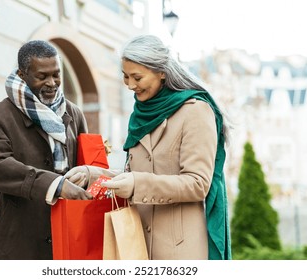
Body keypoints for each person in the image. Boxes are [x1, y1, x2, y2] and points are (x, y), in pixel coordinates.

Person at [65, 35, 231, 260]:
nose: (130, 85)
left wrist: (137, 184)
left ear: (161, 72)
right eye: (125, 77)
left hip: (180, 250)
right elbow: (134, 176)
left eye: (137, 77)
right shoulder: (141, 114)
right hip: (136, 244)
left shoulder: (195, 111)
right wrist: (93, 174)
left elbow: (198, 183)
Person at [0, 40, 92, 260]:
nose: (52, 83)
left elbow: (85, 160)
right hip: (20, 242)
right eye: (42, 76)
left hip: (69, 234)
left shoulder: (74, 113)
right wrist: (56, 185)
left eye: (56, 75)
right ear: (22, 75)